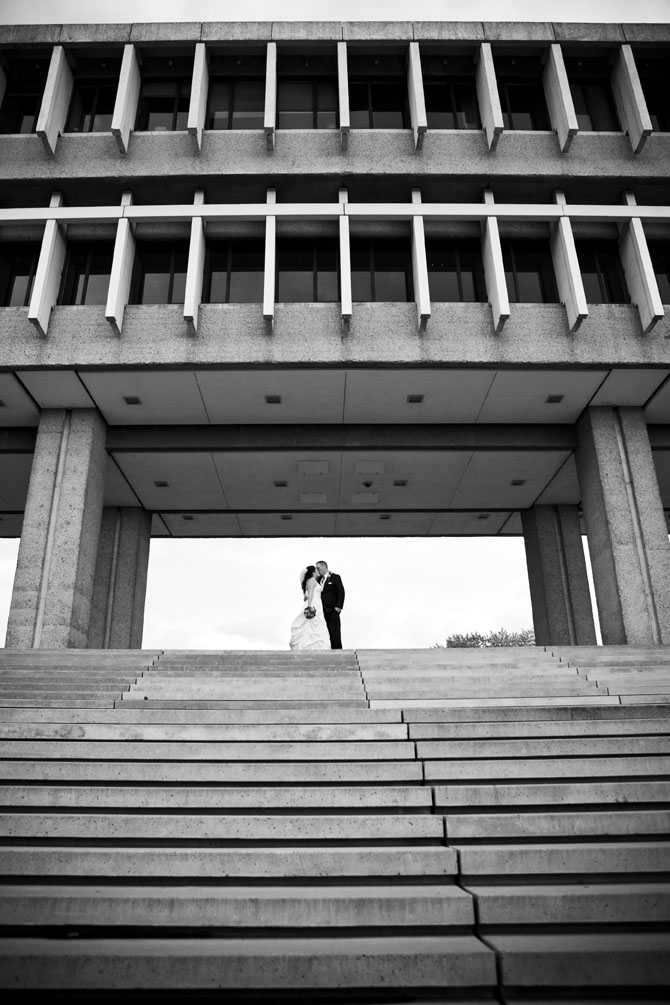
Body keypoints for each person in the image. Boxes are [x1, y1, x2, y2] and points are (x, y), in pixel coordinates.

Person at [289, 565, 330, 650]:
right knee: (312, 624)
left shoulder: (313, 580)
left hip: (317, 603)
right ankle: (310, 646)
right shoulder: (311, 580)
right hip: (313, 603)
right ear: (313, 572)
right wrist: (309, 606)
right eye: (316, 570)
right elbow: (311, 593)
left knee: (317, 624)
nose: (318, 571)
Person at [316, 560, 345, 649]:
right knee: (324, 633)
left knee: (334, 632)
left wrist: (338, 607)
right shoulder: (318, 580)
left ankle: (338, 652)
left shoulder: (335, 577)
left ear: (324, 567)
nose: (317, 570)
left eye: (318, 568)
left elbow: (341, 592)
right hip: (322, 611)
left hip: (333, 610)